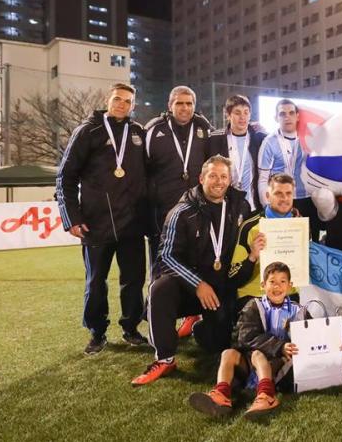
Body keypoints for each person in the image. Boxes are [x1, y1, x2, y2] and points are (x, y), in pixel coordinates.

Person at [132, 155, 251, 386]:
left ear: (230, 180)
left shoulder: (240, 206)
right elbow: (166, 256)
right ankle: (164, 358)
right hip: (186, 287)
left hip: (219, 287)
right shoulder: (182, 211)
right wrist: (197, 284)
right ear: (201, 178)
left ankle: (200, 327)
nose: (219, 181)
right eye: (213, 175)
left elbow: (257, 225)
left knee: (217, 345)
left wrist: (286, 217)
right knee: (160, 288)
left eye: (224, 176)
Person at [56, 82, 148, 354]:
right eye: (118, 99)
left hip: (132, 224)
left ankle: (131, 328)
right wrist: (71, 217)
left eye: (128, 101)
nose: (122, 104)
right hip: (96, 225)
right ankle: (97, 332)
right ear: (108, 100)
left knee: (133, 281)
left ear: (133, 105)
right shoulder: (88, 131)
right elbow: (65, 177)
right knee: (96, 282)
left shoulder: (137, 132)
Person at [188, 261, 302, 419]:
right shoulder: (253, 306)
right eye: (272, 282)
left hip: (277, 363)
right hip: (251, 363)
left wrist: (335, 347)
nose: (277, 286)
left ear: (290, 286)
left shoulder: (298, 310)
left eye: (282, 282)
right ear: (263, 285)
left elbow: (312, 336)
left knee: (258, 355)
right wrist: (280, 345)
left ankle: (266, 396)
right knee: (229, 353)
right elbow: (246, 337)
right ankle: (221, 394)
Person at [145, 86, 214, 338]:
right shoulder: (154, 129)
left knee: (196, 264)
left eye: (189, 103)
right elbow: (144, 170)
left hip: (196, 213)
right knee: (161, 268)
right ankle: (159, 325)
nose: (185, 108)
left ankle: (194, 316)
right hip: (163, 213)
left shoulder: (204, 127)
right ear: (170, 105)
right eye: (179, 103)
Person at [228, 173, 300, 308]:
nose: (284, 198)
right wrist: (252, 257)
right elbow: (233, 278)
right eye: (278, 193)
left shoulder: (300, 225)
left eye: (288, 193)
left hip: (288, 295)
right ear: (267, 196)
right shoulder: (250, 226)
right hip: (255, 297)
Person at [258, 99, 321, 241]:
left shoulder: (310, 138)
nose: (287, 117)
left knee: (311, 245)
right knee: (283, 243)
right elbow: (263, 178)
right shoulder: (269, 142)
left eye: (291, 113)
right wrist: (267, 207)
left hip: (308, 199)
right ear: (276, 118)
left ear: (298, 116)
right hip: (282, 200)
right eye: (282, 114)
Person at [208, 94, 268, 211]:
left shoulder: (259, 139)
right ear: (228, 115)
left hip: (254, 206)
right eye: (237, 113)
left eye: (246, 112)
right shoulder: (215, 140)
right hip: (225, 207)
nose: (242, 117)